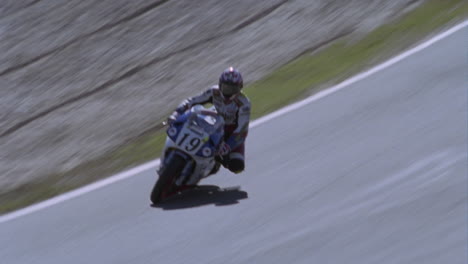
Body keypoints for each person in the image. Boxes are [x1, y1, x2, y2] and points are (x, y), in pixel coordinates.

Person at [169, 67, 251, 174]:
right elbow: (191, 101)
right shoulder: (213, 92)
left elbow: (242, 131)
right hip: (213, 125)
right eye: (226, 88)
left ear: (240, 88)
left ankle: (214, 163)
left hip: (231, 133)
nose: (229, 92)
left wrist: (228, 146)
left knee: (237, 166)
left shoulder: (244, 103)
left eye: (233, 89)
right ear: (220, 84)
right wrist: (176, 114)